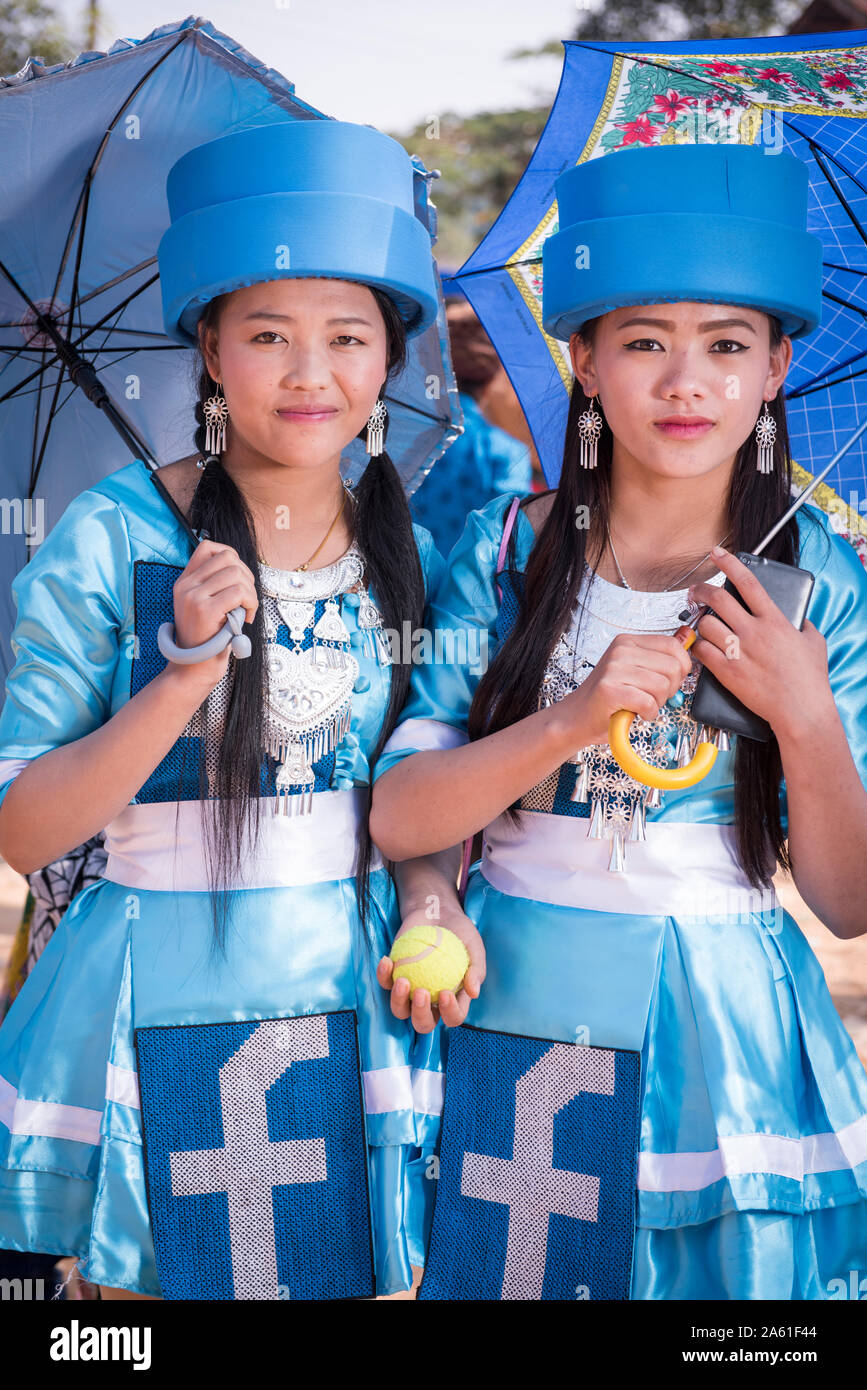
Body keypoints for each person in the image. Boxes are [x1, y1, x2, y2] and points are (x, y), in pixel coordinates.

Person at [371, 142, 867, 1300]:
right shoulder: (503, 549)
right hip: (511, 996)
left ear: (780, 366)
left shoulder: (821, 580)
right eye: (645, 342)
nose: (685, 383)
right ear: (583, 359)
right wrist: (572, 718)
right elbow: (401, 814)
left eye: (727, 345)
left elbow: (849, 905)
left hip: (724, 1025)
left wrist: (807, 717)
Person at [0, 119, 445, 1300]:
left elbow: (422, 795)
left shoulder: (420, 557)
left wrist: (432, 908)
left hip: (343, 1000)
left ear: (390, 361)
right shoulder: (112, 535)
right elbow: (25, 828)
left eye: (349, 337)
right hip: (140, 1000)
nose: (311, 375)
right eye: (267, 335)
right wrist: (186, 674)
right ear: (208, 346)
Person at [409, 297, 537, 555]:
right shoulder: (506, 453)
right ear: (493, 378)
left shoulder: (398, 438)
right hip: (471, 592)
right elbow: (514, 545)